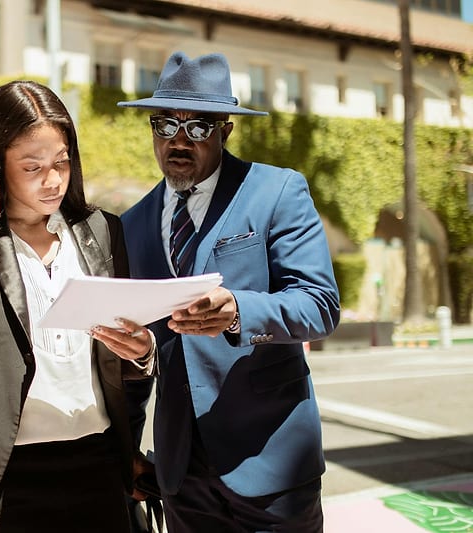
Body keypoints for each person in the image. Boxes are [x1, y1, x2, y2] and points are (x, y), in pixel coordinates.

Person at [0, 80, 156, 533]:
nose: (53, 181)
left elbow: (119, 365)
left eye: (61, 163)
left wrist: (142, 352)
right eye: (32, 167)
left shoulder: (101, 231)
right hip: (0, 472)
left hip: (96, 462)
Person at [118, 51, 341, 532]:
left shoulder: (276, 192)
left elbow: (320, 305)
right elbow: (133, 346)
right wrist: (126, 448)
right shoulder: (133, 224)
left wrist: (240, 309)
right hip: (182, 472)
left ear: (226, 129)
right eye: (164, 125)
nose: (179, 140)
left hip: (271, 460)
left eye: (198, 126)